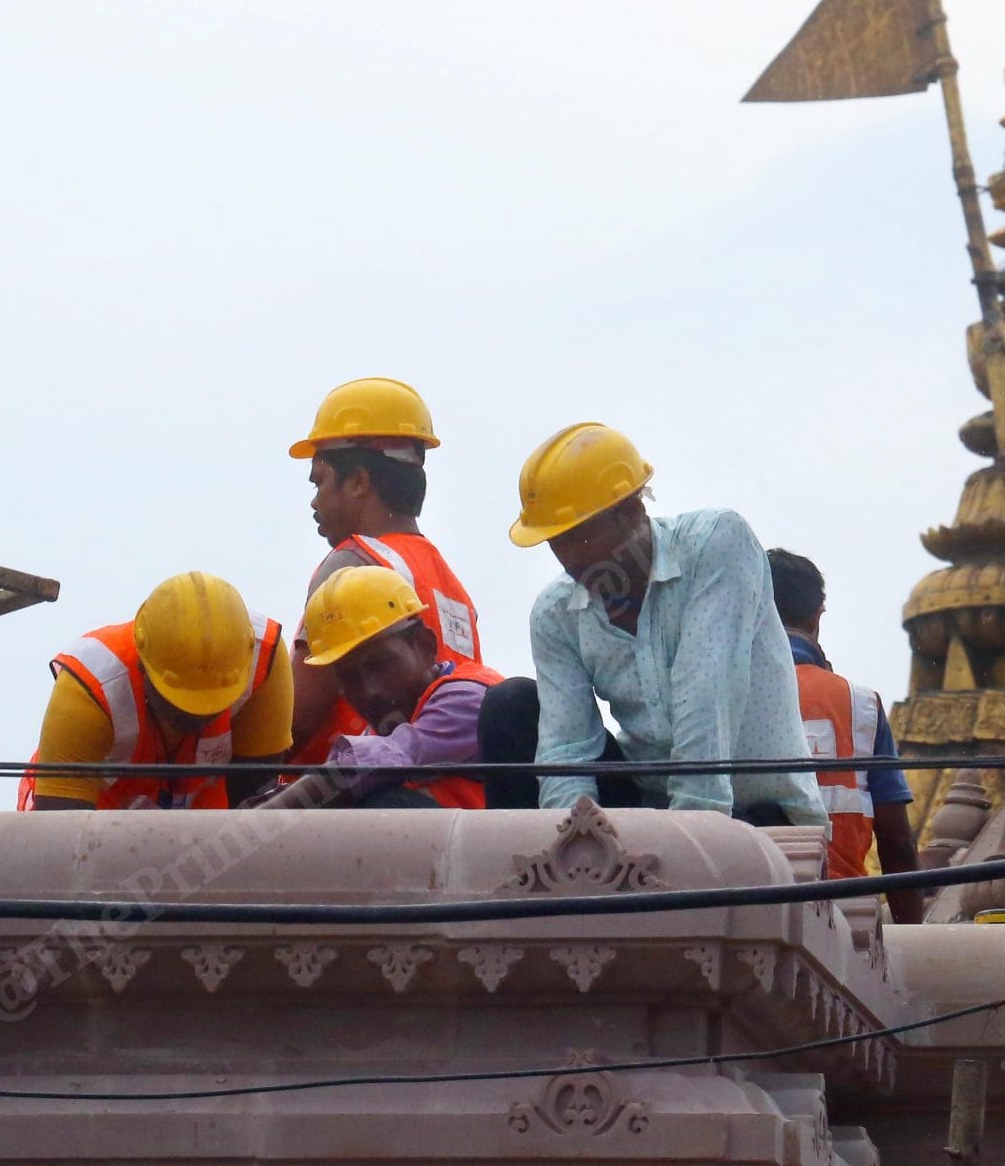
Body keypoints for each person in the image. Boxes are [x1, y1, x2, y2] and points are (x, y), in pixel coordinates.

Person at [478, 422, 821, 826]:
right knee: (510, 706)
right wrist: (570, 842)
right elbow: (566, 749)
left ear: (632, 511)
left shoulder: (715, 544)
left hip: (759, 812)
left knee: (727, 818)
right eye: (557, 542)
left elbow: (705, 692)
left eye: (581, 537)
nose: (570, 558)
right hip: (648, 806)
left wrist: (691, 834)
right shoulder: (556, 614)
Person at [285, 377, 484, 766]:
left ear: (359, 481)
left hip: (351, 799)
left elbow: (295, 721)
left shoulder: (352, 564)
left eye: (320, 481)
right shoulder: (448, 583)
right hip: (445, 795)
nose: (314, 501)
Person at [18, 571, 290, 811]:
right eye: (179, 702)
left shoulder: (262, 658)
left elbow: (254, 798)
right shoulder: (91, 687)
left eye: (213, 702)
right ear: (142, 664)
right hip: (92, 824)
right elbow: (62, 842)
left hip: (203, 824)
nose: (197, 717)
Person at [250, 567, 502, 811]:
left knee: (381, 806)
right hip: (452, 849)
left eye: (382, 665)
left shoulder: (467, 701)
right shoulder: (385, 730)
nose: (369, 691)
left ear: (425, 646)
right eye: (349, 677)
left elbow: (365, 767)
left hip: (509, 852)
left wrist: (262, 821)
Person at [768, 548, 925, 923]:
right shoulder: (860, 704)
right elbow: (898, 844)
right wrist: (911, 944)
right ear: (817, 617)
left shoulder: (718, 696)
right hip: (844, 919)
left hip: (744, 906)